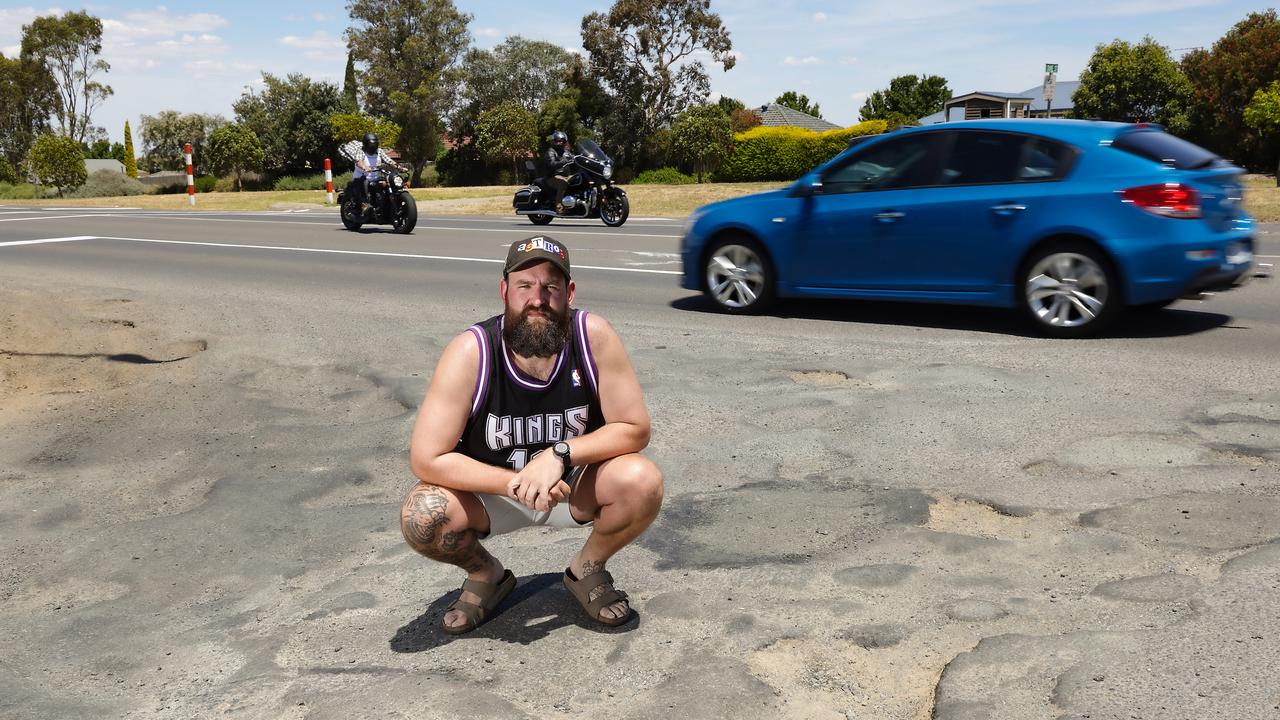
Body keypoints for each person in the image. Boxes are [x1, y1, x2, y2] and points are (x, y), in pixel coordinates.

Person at [401, 236, 663, 634]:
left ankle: (586, 570)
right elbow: (427, 457)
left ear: (569, 292)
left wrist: (557, 455)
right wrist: (515, 482)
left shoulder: (592, 336)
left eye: (550, 286)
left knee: (642, 481)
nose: (537, 298)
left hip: (572, 487)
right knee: (422, 514)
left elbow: (634, 428)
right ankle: (485, 574)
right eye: (525, 285)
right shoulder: (471, 352)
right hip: (493, 493)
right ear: (504, 290)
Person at [339, 132, 404, 210]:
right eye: (370, 145)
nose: (372, 147)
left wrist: (399, 167)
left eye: (374, 144)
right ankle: (364, 204)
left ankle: (389, 203)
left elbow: (389, 161)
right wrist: (365, 167)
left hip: (375, 178)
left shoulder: (379, 151)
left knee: (387, 183)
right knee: (365, 182)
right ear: (365, 144)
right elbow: (359, 161)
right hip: (360, 178)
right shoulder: (361, 151)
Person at [542, 130, 574, 213]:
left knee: (579, 178)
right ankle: (558, 206)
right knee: (563, 183)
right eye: (558, 141)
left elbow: (574, 158)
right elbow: (552, 164)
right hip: (552, 177)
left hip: (566, 176)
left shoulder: (566, 152)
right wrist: (564, 162)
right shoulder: (550, 152)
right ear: (554, 141)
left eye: (562, 141)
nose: (559, 143)